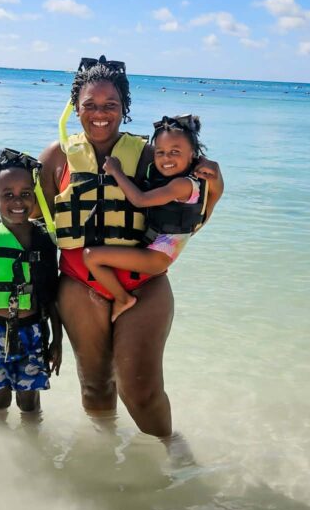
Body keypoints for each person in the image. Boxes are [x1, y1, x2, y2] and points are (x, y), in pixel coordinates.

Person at [37, 56, 224, 438]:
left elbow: (187, 222)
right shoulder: (55, 158)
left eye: (111, 105)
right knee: (95, 387)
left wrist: (216, 189)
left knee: (139, 390)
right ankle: (109, 466)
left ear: (125, 108)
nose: (100, 114)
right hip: (78, 285)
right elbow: (38, 238)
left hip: (144, 284)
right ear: (76, 107)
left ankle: (176, 460)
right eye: (90, 104)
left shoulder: (149, 156)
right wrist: (44, 320)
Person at [84, 114, 217, 322]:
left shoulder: (181, 185)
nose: (166, 159)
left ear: (193, 154)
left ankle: (123, 299)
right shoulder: (185, 179)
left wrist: (115, 170)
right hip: (160, 251)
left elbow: (139, 200)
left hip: (157, 258)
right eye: (160, 152)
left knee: (91, 256)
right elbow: (211, 201)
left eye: (175, 152)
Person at [0, 149, 62, 413]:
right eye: (7, 195)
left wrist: (57, 340)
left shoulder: (44, 238)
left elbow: (50, 293)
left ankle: (34, 447)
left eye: (25, 193)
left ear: (35, 197)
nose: (17, 201)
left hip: (33, 331)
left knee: (29, 403)